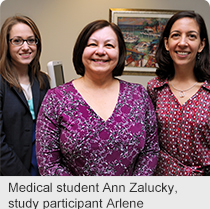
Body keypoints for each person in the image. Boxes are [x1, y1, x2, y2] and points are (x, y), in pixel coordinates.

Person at [36, 20, 159, 176]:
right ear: (81, 50)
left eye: (109, 45)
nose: (100, 51)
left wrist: (130, 192)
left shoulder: (139, 95)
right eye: (92, 44)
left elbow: (151, 150)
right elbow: (49, 164)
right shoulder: (56, 99)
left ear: (120, 53)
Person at [147, 11, 210, 176]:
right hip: (162, 185)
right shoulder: (154, 88)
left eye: (191, 36)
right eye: (176, 35)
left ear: (201, 45)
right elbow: (147, 142)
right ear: (167, 44)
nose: (183, 43)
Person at [0, 15, 50, 176]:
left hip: (39, 165)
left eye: (31, 40)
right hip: (10, 170)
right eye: (17, 41)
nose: (26, 47)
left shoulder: (42, 80)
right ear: (6, 44)